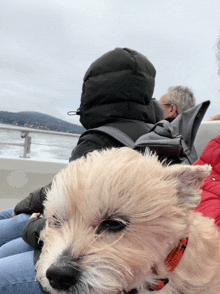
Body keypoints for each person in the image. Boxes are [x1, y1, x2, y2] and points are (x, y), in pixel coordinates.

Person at [0, 47, 164, 293]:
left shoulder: (99, 139)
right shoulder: (158, 135)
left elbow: (70, 205)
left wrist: (34, 222)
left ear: (91, 92)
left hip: (75, 253)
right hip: (76, 234)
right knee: (9, 217)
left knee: (8, 230)